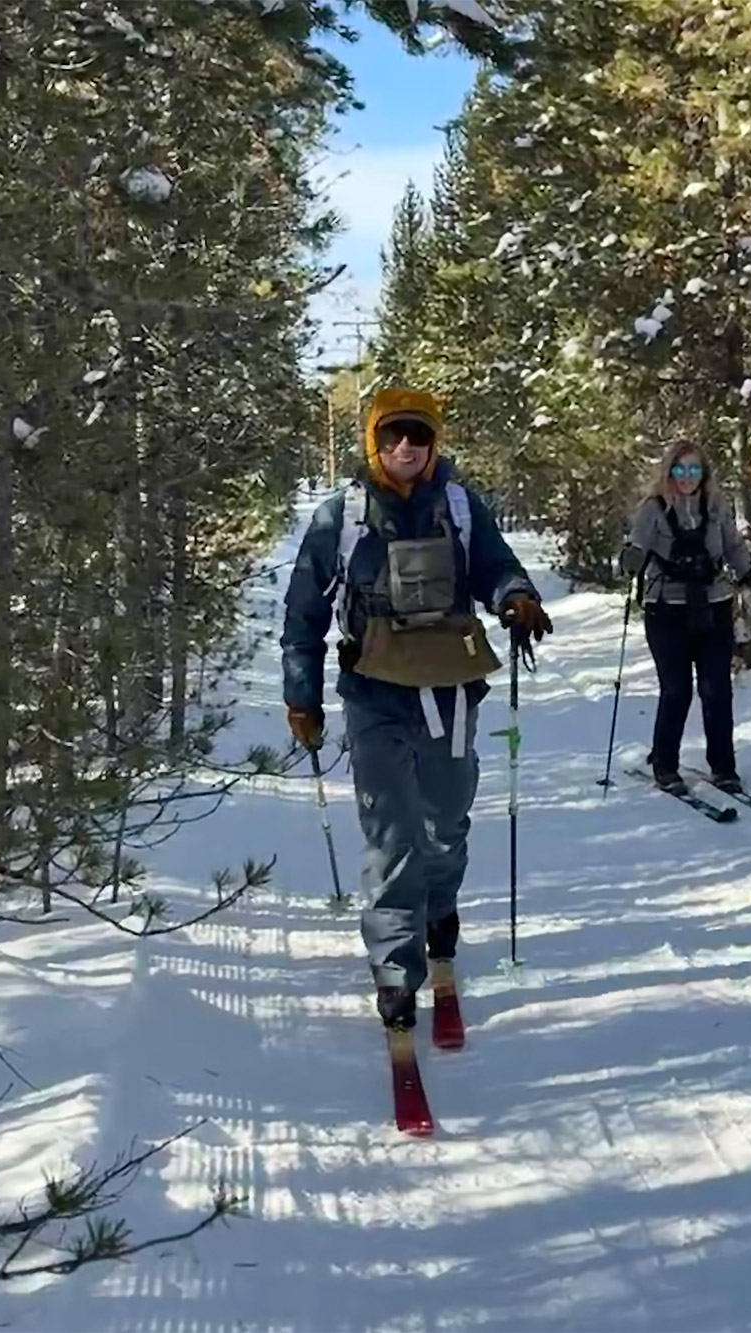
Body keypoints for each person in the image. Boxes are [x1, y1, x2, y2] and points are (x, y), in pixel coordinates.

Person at [281, 387, 553, 1034]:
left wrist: (515, 596)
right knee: (391, 833)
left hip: (451, 687)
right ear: (374, 441)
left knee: (445, 819)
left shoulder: (460, 506)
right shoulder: (340, 516)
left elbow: (496, 566)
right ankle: (397, 970)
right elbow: (303, 615)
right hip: (373, 690)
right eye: (393, 434)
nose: (406, 446)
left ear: (434, 442)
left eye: (419, 435)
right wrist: (302, 695)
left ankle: (440, 913)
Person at [622, 442, 751, 795]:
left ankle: (724, 768)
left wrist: (750, 574)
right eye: (680, 470)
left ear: (704, 474)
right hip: (665, 608)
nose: (687, 477)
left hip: (713, 604)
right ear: (669, 472)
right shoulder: (652, 510)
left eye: (694, 470)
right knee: (677, 690)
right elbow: (636, 544)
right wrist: (631, 559)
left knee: (717, 689)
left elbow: (732, 547)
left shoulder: (715, 507)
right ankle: (665, 764)